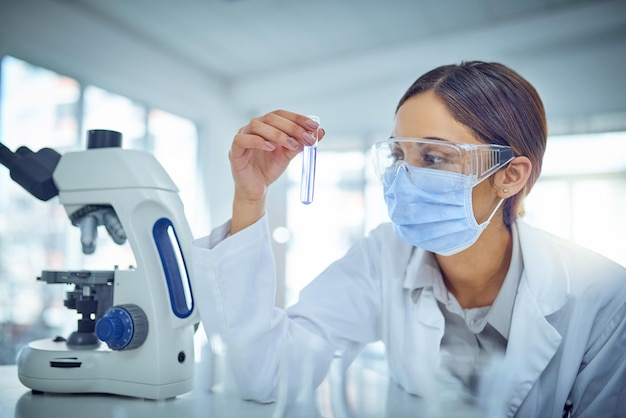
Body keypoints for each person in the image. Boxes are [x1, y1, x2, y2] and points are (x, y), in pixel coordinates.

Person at [190, 61, 626, 417]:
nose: (405, 177)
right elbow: (265, 374)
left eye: (433, 157)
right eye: (399, 155)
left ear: (509, 176)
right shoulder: (384, 255)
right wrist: (251, 196)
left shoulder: (603, 299)